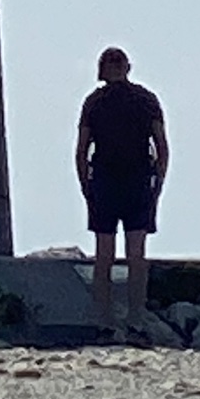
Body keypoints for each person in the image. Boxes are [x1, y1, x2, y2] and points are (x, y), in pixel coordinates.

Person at [74, 47, 168, 334]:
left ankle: (105, 317)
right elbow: (162, 147)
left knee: (106, 253)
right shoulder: (145, 99)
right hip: (133, 181)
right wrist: (158, 184)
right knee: (134, 254)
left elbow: (81, 150)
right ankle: (133, 316)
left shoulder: (95, 101)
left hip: (109, 181)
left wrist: (86, 186)